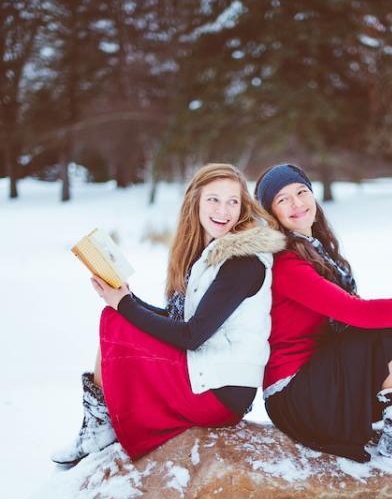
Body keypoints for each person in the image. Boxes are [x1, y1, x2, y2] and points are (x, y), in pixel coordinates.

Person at [52, 163, 285, 465]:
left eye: (232, 201)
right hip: (210, 373)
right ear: (196, 203)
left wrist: (125, 304)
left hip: (220, 392)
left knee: (116, 321)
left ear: (242, 209)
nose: (223, 210)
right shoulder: (214, 254)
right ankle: (100, 422)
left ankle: (100, 425)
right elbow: (183, 324)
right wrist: (127, 298)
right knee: (118, 317)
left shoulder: (242, 262)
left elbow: (192, 335)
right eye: (213, 199)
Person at [254, 163, 392, 468]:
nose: (297, 204)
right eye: (283, 200)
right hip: (295, 394)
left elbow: (354, 314)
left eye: (301, 192)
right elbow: (353, 312)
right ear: (272, 213)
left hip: (322, 377)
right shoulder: (286, 263)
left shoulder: (318, 251)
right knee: (387, 324)